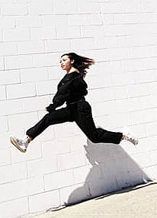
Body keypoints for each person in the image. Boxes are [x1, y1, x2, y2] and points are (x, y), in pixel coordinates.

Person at [10, 52, 138, 153]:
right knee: (49, 118)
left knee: (94, 137)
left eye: (64, 60)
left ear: (72, 61)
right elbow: (66, 93)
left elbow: (63, 93)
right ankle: (26, 140)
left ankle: (123, 135)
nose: (61, 63)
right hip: (71, 108)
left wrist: (53, 106)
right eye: (60, 61)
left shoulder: (73, 77)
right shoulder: (69, 77)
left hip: (80, 108)